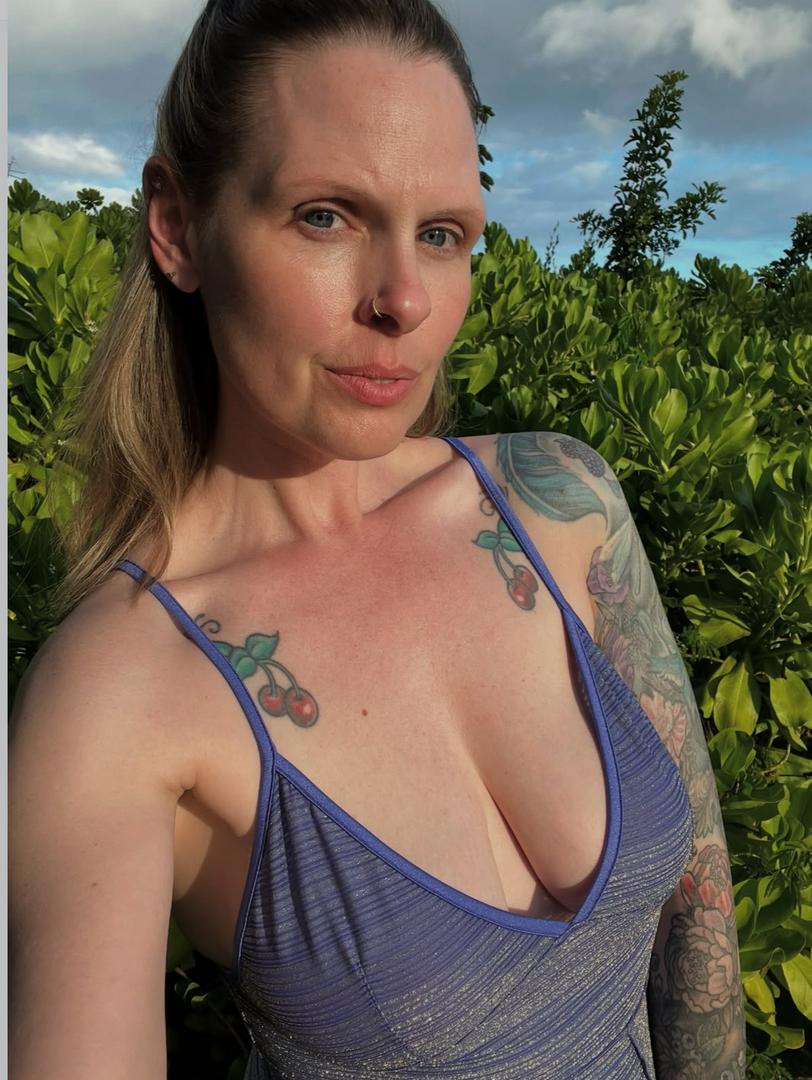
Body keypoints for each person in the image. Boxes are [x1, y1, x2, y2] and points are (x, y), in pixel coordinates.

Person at [9, 0, 747, 1076]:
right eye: (326, 217)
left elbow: (699, 906)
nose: (404, 299)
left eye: (442, 235)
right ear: (176, 227)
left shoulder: (558, 498)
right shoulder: (117, 692)